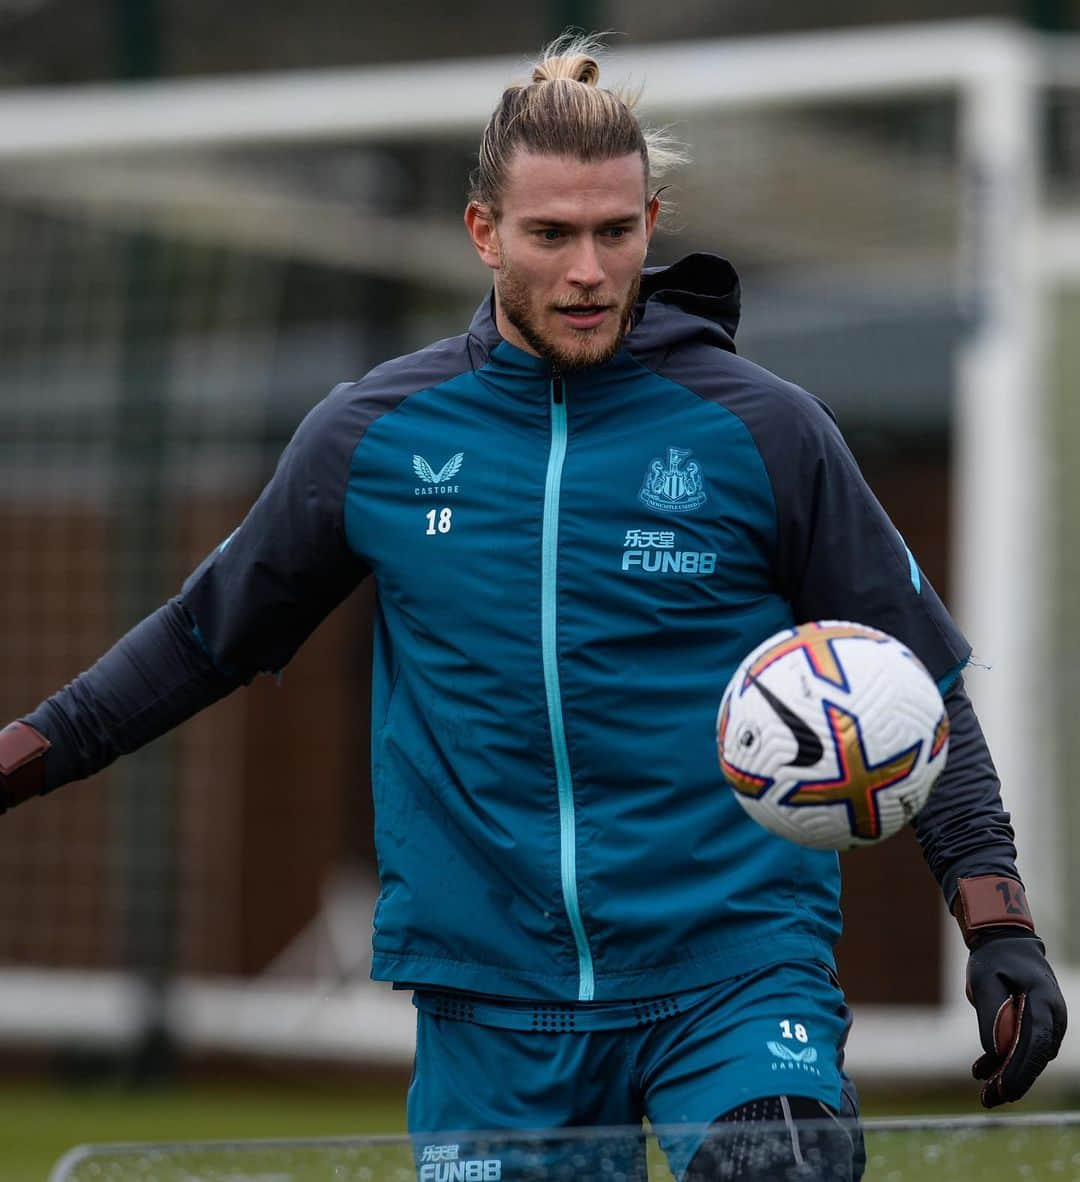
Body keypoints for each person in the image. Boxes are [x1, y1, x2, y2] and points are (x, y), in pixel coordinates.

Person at [0, 34, 1067, 1182]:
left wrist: (999, 924)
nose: (588, 272)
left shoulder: (769, 430)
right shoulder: (372, 436)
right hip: (489, 997)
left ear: (652, 222)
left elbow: (918, 689)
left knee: (784, 1165)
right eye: (551, 235)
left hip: (736, 967)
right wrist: (19, 758)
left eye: (616, 233)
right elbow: (201, 639)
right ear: (483, 233)